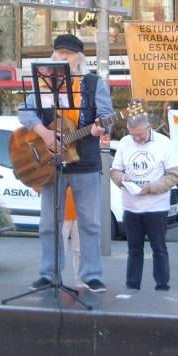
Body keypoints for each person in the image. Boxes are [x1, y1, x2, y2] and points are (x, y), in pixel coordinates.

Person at [19, 33, 114, 293]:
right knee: (48, 223)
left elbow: (108, 117)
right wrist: (44, 133)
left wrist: (100, 128)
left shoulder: (95, 84)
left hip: (86, 163)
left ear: (79, 59)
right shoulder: (44, 83)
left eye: (68, 53)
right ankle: (49, 273)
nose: (63, 57)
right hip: (52, 165)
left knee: (90, 223)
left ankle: (91, 274)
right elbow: (24, 111)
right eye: (59, 52)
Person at [110, 112, 178, 291]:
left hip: (156, 207)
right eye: (133, 134)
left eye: (140, 134)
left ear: (148, 127)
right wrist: (121, 179)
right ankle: (132, 286)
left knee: (159, 248)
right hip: (131, 206)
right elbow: (115, 170)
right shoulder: (125, 143)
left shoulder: (164, 143)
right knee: (134, 249)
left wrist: (152, 187)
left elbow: (173, 175)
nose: (137, 138)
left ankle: (162, 286)